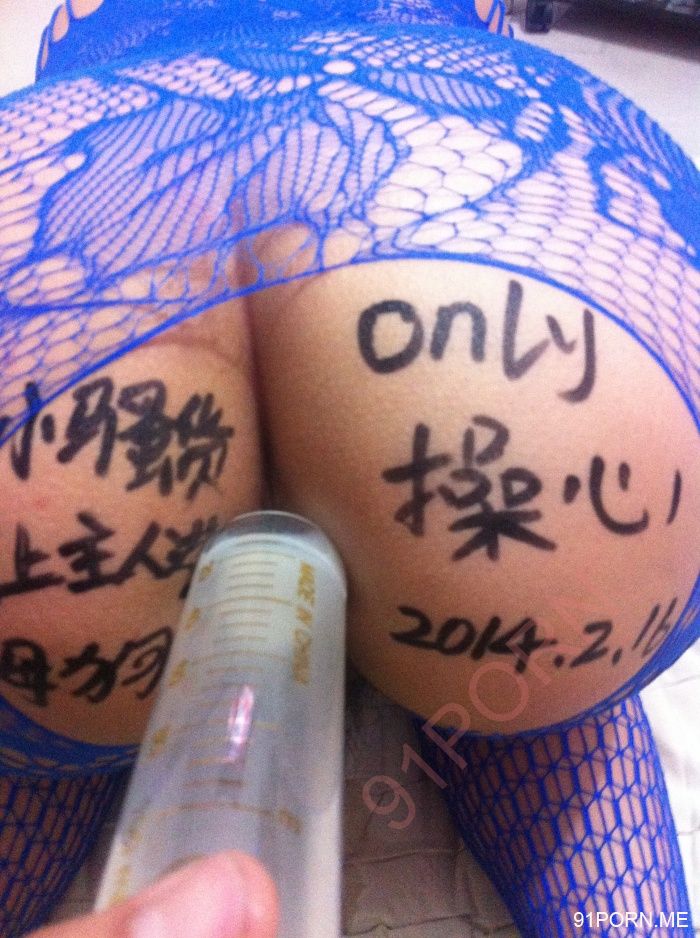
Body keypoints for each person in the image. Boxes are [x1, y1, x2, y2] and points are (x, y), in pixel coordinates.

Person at [0, 0, 697, 934]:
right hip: (482, 285)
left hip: (74, 296)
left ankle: (60, 752)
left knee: (46, 729)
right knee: (533, 686)